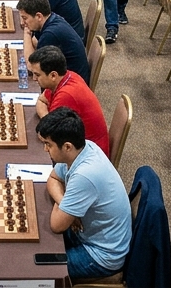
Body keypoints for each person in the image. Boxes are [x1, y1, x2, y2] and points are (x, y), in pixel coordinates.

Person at [38, 107, 131, 280]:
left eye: (48, 145)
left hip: (101, 255)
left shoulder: (84, 175)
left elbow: (56, 225)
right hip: (88, 233)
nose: (45, 149)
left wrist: (67, 211)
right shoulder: (86, 148)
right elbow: (53, 179)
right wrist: (67, 205)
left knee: (41, 271)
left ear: (67, 146)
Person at [19, 0, 91, 85]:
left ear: (39, 16)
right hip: (70, 79)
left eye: (25, 18)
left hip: (71, 85)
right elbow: (35, 42)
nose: (23, 23)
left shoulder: (50, 34)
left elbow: (31, 67)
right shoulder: (51, 19)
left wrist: (27, 32)